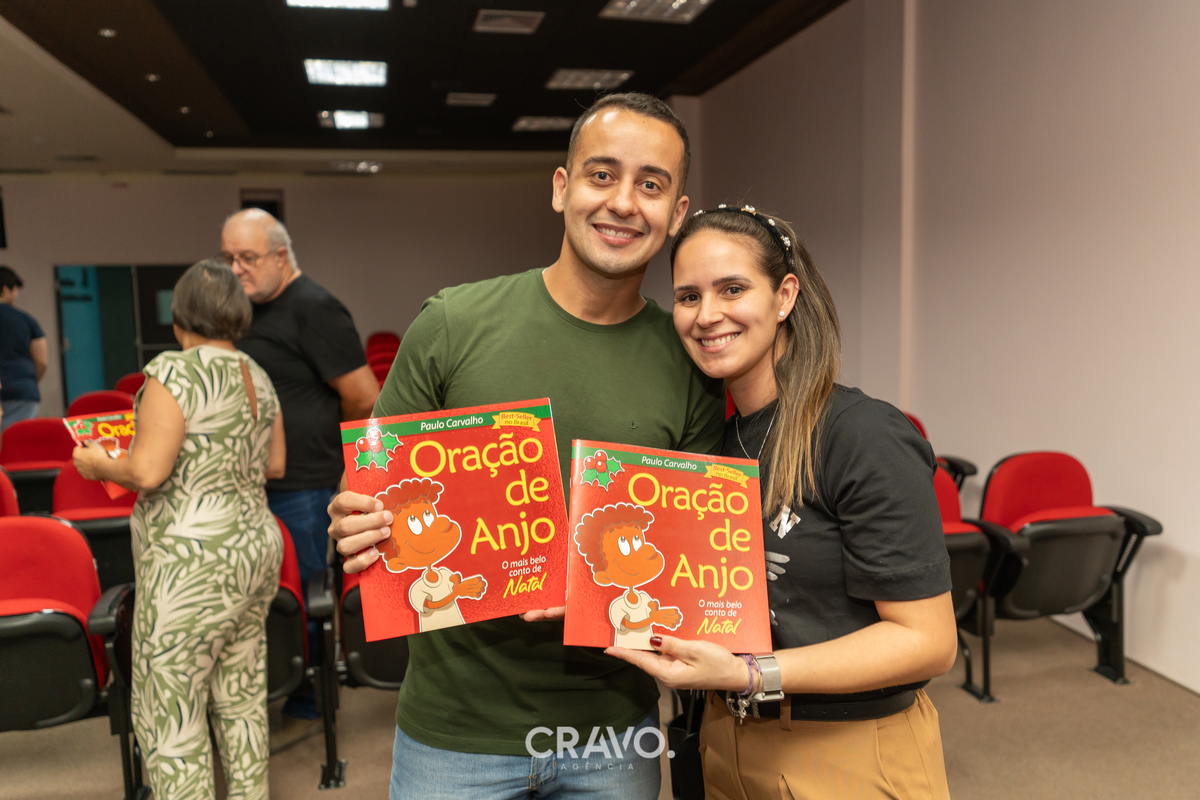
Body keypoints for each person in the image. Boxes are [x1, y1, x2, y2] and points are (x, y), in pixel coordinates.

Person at [326, 93, 725, 799]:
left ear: (677, 211)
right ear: (561, 187)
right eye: (602, 175)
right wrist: (354, 517)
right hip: (454, 732)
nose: (623, 202)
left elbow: (688, 558)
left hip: (614, 732)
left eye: (651, 184)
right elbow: (371, 488)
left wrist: (602, 590)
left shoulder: (688, 360)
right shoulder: (453, 323)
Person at [607, 205, 957, 799]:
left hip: (847, 751)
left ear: (785, 296)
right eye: (688, 296)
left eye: (732, 289)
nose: (707, 315)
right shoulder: (712, 447)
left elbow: (929, 641)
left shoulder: (860, 434)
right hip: (725, 737)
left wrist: (750, 673)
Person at [73, 259, 285, 799]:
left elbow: (147, 472)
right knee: (241, 697)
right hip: (255, 547)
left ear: (179, 315)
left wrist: (99, 464)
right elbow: (276, 464)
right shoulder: (256, 374)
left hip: (191, 562)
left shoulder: (173, 372)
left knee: (170, 706)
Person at [220, 208, 378, 721]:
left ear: (281, 256)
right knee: (265, 597)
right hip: (256, 482)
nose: (236, 269)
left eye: (247, 257)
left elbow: (363, 396)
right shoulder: (248, 309)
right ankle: (275, 686)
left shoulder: (314, 307)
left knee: (307, 593)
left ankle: (312, 697)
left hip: (306, 486)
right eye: (228, 258)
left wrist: (343, 465)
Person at [0, 266, 48, 431]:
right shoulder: (26, 320)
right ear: (6, 289)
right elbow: (41, 361)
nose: (16, 295)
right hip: (21, 389)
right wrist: (27, 380)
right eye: (15, 290)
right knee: (16, 439)